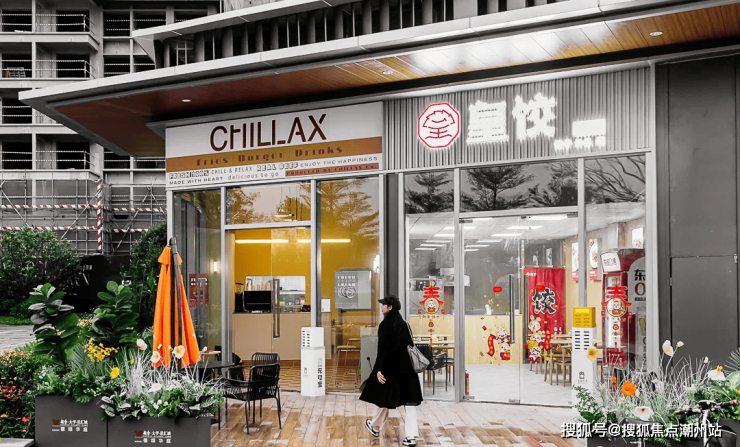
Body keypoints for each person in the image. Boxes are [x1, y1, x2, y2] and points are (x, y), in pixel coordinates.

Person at [360, 295, 423, 446]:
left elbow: (382, 351)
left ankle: (375, 426)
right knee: (409, 404)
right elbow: (410, 346)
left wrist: (378, 369)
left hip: (391, 370)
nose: (382, 307)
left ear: (390, 308)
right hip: (407, 371)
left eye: (384, 305)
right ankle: (410, 437)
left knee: (386, 397)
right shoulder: (404, 324)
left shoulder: (385, 325)